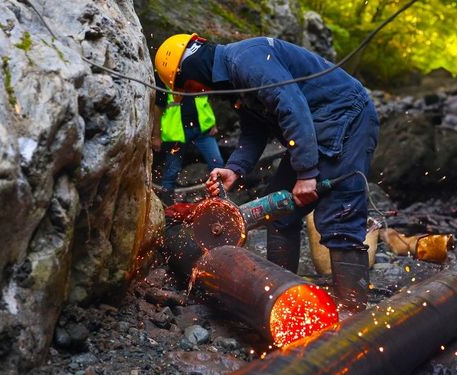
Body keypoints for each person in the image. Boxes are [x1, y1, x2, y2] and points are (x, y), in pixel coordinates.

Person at [154, 33, 379, 312]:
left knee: (339, 216)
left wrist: (306, 174)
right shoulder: (236, 79)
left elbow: (292, 106)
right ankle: (284, 299)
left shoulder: (246, 59)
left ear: (192, 66)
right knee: (279, 210)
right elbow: (254, 130)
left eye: (189, 86)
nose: (197, 92)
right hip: (316, 126)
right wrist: (235, 168)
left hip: (346, 117)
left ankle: (353, 312)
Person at [152, 73, 224, 206]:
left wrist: (212, 121)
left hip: (202, 128)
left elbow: (205, 98)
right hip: (176, 133)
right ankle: (168, 209)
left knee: (217, 163)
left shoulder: (193, 69)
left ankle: (221, 203)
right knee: (171, 172)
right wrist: (156, 135)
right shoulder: (164, 75)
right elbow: (158, 107)